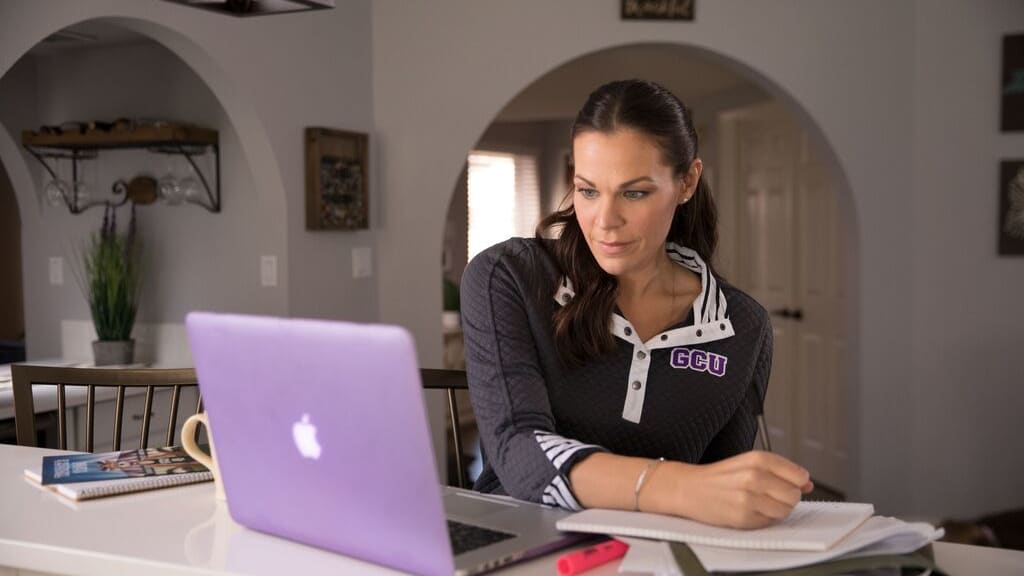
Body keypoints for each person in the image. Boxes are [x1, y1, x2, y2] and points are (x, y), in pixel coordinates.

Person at [460, 79, 813, 530]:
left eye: (634, 192)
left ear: (686, 182)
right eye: (588, 191)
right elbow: (519, 448)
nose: (605, 221)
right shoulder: (506, 275)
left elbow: (723, 496)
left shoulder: (742, 326)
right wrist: (681, 487)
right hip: (523, 547)